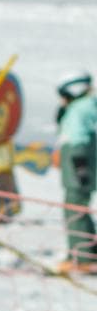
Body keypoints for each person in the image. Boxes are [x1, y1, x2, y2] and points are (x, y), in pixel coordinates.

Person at [55, 71, 97, 274]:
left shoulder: (78, 110)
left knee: (74, 210)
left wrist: (80, 169)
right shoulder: (86, 107)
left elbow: (77, 139)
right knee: (80, 209)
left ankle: (82, 256)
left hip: (76, 168)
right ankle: (87, 252)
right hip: (80, 166)